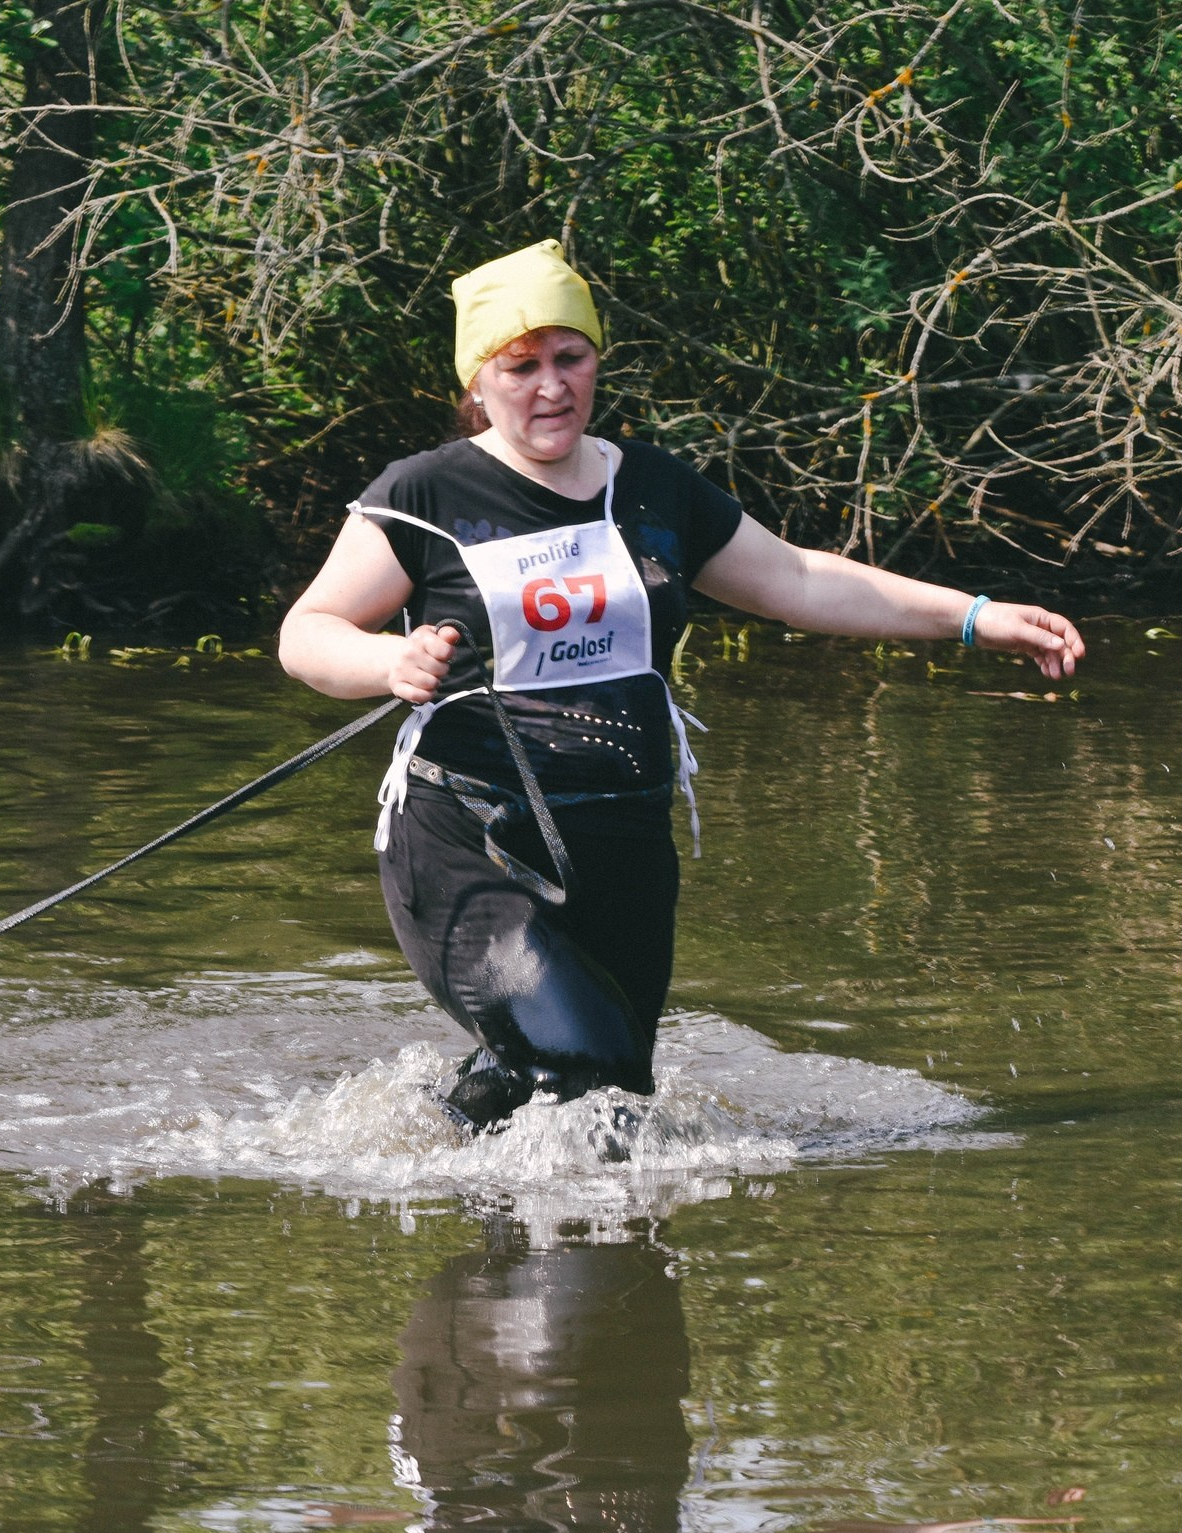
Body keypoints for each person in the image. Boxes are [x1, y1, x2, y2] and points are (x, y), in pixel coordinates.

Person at [278, 240, 1085, 1132]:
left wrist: (973, 616)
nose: (551, 386)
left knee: (603, 1090)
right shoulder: (424, 494)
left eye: (570, 358)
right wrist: (386, 665)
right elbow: (306, 636)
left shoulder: (655, 488)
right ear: (479, 382)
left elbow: (800, 581)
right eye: (522, 367)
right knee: (585, 1065)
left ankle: (437, 1158)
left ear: (595, 362)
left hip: (624, 838)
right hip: (469, 837)